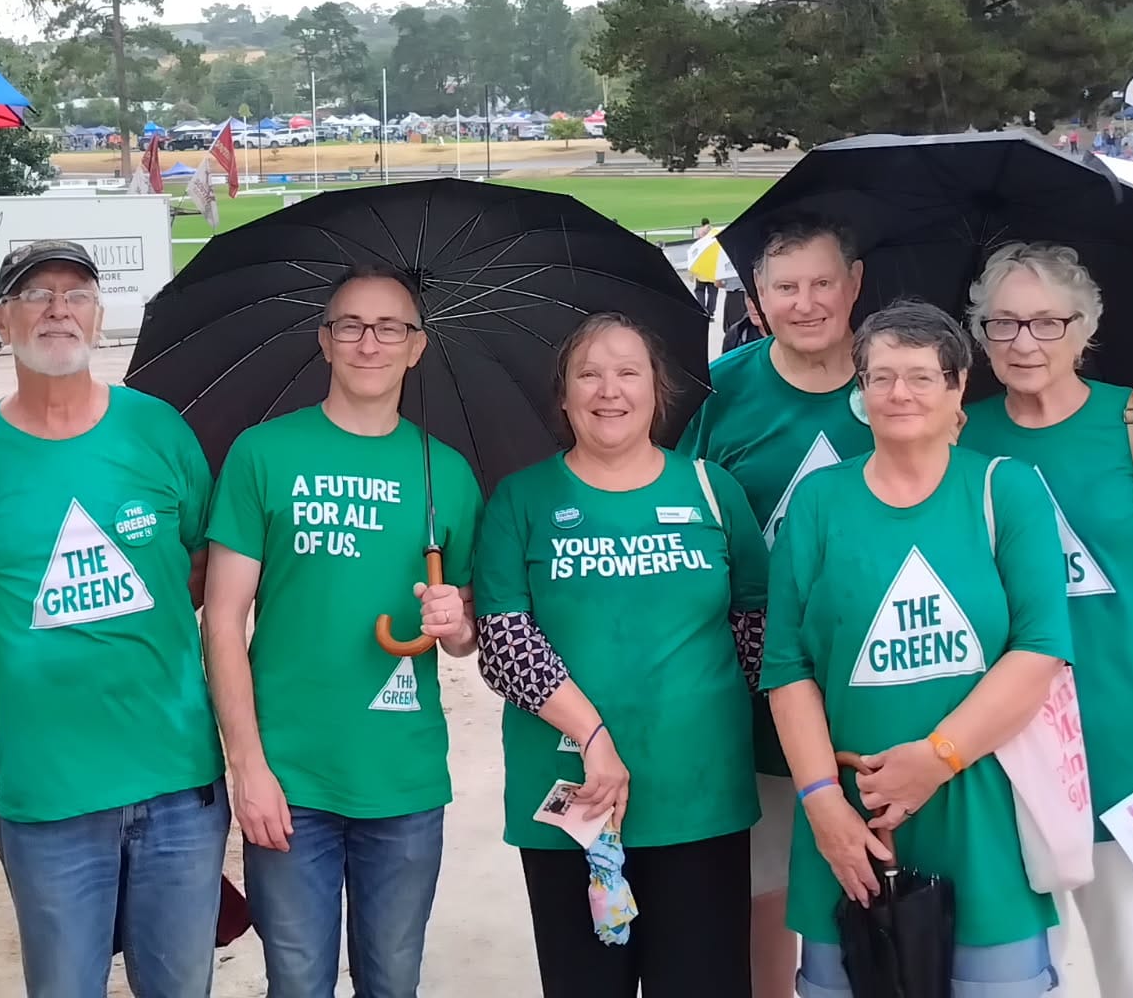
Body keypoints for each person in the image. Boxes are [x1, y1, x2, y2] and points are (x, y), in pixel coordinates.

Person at [0, 240, 228, 998]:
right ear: (2, 318)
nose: (59, 308)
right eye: (37, 294)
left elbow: (200, 562)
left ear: (98, 316)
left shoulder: (158, 431)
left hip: (178, 786)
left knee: (181, 986)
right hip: (50, 799)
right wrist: (25, 667)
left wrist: (135, 643)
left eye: (77, 293)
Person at [764, 299, 1072, 997]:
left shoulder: (1006, 490)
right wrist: (821, 806)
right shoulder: (818, 502)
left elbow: (1041, 648)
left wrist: (936, 759)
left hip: (983, 817)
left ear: (958, 387)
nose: (899, 393)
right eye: (880, 377)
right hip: (850, 828)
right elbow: (787, 668)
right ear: (860, 393)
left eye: (921, 376)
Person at [203, 262, 483, 998]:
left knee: (393, 981)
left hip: (404, 779)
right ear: (324, 341)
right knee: (298, 982)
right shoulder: (262, 455)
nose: (370, 343)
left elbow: (463, 635)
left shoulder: (445, 473)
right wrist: (249, 768)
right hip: (291, 781)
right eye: (350, 326)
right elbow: (224, 620)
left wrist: (456, 622)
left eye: (390, 327)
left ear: (417, 346)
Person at [959, 242, 1133, 997]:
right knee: (1014, 964)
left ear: (1085, 329)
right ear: (979, 334)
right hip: (1001, 744)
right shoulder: (961, 434)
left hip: (1132, 734)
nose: (1023, 343)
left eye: (1047, 323)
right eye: (1003, 323)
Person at [474, 312, 768, 996]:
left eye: (628, 371)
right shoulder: (523, 499)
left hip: (701, 802)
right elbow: (504, 639)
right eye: (590, 374)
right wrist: (594, 735)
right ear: (564, 397)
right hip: (573, 805)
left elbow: (756, 627)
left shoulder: (710, 490)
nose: (610, 390)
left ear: (657, 391)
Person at [673, 213, 872, 998]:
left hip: (871, 676)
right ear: (755, 299)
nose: (807, 302)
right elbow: (684, 510)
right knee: (764, 876)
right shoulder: (724, 389)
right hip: (752, 679)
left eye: (824, 283)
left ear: (855, 285)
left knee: (870, 865)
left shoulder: (894, 378)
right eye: (785, 287)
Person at [694, 218, 719, 317]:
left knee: (700, 290)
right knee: (713, 292)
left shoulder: (699, 233)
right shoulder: (713, 233)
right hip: (713, 269)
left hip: (701, 269)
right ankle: (711, 312)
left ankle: (702, 309)